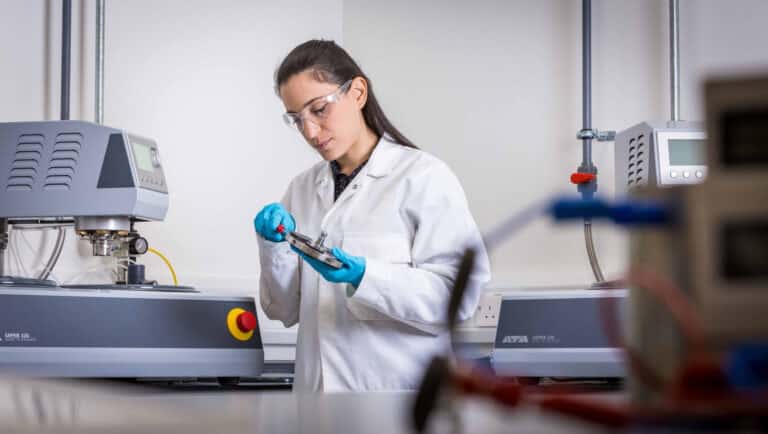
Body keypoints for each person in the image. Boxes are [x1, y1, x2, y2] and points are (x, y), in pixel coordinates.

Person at [254, 39, 491, 392]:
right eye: (296, 119)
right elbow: (284, 311)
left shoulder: (423, 177)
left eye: (319, 109)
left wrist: (367, 277)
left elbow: (459, 298)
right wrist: (274, 248)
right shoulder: (301, 190)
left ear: (358, 92)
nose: (309, 132)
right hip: (317, 402)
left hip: (395, 400)